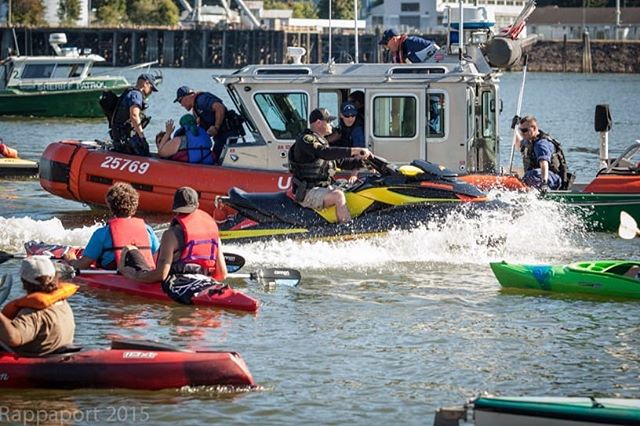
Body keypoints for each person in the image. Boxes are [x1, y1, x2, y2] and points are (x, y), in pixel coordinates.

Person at [118, 187, 228, 303]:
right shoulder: (213, 232)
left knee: (130, 250)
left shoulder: (171, 235)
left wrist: (134, 275)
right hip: (205, 280)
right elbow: (222, 274)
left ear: (175, 208)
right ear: (197, 205)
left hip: (176, 283)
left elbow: (161, 275)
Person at [288, 108, 372, 223]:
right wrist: (355, 150)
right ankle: (346, 229)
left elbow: (341, 162)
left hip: (322, 188)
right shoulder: (306, 140)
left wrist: (366, 163)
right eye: (328, 121)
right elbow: (325, 153)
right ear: (318, 123)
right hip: (308, 193)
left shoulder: (322, 141)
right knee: (338, 196)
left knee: (352, 188)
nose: (331, 124)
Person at [64, 182, 160, 271]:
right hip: (144, 274)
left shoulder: (102, 233)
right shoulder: (147, 230)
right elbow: (157, 258)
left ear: (110, 206)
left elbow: (82, 265)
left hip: (115, 275)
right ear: (135, 205)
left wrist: (71, 260)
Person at [0, 256, 76, 356]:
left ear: (24, 282)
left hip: (34, 360)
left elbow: (13, 338)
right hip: (56, 352)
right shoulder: (62, 303)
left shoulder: (33, 314)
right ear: (54, 276)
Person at [174, 86, 240, 164]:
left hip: (228, 132)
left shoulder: (201, 100)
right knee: (216, 157)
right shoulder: (196, 109)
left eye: (180, 101)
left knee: (218, 159)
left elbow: (219, 107)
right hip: (220, 135)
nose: (181, 105)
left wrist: (216, 127)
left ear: (187, 96)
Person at [514, 115, 570, 192]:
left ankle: (540, 190)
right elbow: (518, 145)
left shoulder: (541, 144)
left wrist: (544, 183)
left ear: (533, 128)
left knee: (532, 174)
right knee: (526, 175)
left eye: (524, 130)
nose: (522, 133)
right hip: (539, 176)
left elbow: (544, 164)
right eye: (521, 130)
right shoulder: (529, 140)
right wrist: (514, 129)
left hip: (552, 178)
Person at [110, 73, 159, 156]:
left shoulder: (129, 93)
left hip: (119, 138)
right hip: (126, 139)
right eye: (151, 88)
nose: (151, 92)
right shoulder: (136, 95)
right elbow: (134, 115)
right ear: (145, 83)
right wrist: (142, 137)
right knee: (145, 151)